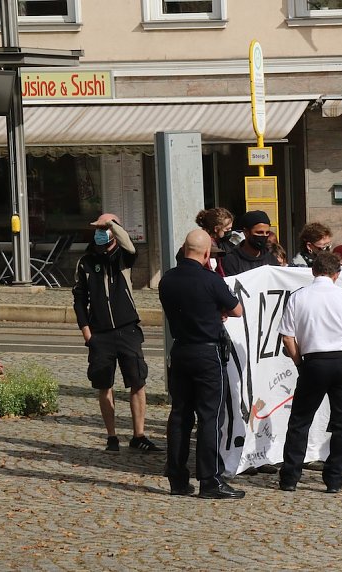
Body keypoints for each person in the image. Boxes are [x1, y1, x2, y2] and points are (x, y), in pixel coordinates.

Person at [278, 252, 342, 494]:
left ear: (313, 271)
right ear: (337, 274)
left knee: (300, 421)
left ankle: (290, 477)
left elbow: (287, 337)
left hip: (314, 362)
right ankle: (334, 479)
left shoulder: (298, 297)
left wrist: (300, 364)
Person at [159, 229, 244, 499]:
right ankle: (210, 481)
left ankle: (177, 479)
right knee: (210, 418)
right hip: (208, 354)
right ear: (207, 254)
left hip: (180, 350)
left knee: (179, 416)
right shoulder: (211, 280)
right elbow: (237, 310)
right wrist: (216, 312)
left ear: (184, 250)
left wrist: (210, 311)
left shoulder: (167, 279)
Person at [72, 213, 161, 453]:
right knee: (105, 384)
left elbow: (131, 248)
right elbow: (79, 300)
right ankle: (111, 436)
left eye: (106, 227)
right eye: (99, 227)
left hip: (127, 329)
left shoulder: (123, 257)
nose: (101, 231)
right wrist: (87, 333)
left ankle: (139, 435)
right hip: (100, 334)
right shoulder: (86, 262)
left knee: (137, 381)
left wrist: (112, 224)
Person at [175, 207, 234, 276]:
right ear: (216, 229)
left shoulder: (220, 243)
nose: (230, 231)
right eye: (227, 229)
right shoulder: (201, 243)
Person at [221, 210, 281, 276]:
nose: (264, 236)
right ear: (246, 232)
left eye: (267, 233)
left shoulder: (271, 259)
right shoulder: (232, 260)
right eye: (259, 232)